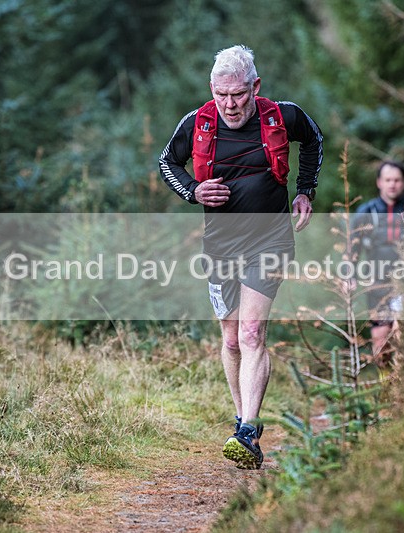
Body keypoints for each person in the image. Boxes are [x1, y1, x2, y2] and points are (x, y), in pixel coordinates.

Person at [159, 45, 323, 469]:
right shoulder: (198, 122)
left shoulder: (282, 115)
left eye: (239, 94)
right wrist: (192, 192)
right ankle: (240, 419)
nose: (230, 104)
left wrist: (305, 190)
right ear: (212, 89)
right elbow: (167, 164)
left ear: (255, 86)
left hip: (270, 241)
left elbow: (314, 140)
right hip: (219, 245)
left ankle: (248, 430)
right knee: (230, 339)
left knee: (252, 334)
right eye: (221, 94)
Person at [352, 161, 404, 357]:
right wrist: (349, 276)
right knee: (381, 343)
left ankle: (403, 383)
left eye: (397, 180)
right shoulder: (366, 212)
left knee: (401, 333)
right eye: (388, 180)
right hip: (376, 284)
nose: (392, 184)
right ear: (379, 182)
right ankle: (385, 382)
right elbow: (352, 248)